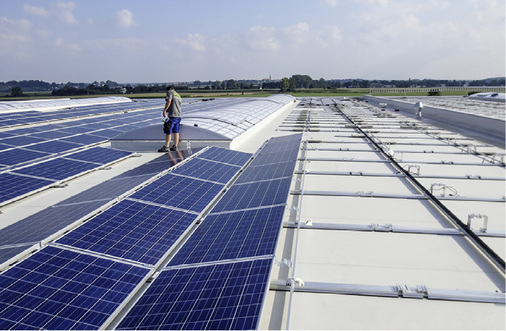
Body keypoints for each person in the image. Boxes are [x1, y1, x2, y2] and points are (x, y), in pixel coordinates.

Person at [158, 85, 182, 152]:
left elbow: (169, 101)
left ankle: (166, 146)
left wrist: (165, 110)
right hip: (178, 115)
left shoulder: (170, 92)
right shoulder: (178, 94)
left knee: (168, 131)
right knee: (176, 131)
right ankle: (175, 146)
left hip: (171, 115)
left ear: (168, 90)